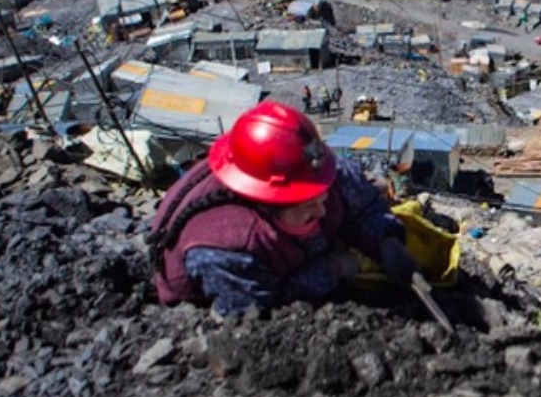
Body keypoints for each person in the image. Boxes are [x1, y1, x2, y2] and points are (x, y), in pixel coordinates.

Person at [147, 101, 418, 315]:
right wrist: (333, 267)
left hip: (292, 252)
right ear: (266, 203)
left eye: (321, 199)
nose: (321, 211)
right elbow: (262, 307)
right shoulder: (224, 248)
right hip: (230, 295)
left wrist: (387, 239)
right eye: (307, 206)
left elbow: (364, 203)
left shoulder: (314, 171)